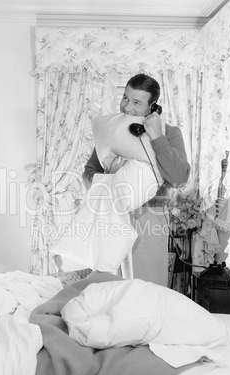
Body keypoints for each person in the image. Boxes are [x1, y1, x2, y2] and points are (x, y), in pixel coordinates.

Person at [82, 73, 190, 286]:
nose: (126, 107)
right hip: (110, 217)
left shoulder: (169, 133)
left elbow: (178, 179)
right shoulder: (112, 130)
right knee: (107, 288)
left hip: (149, 221)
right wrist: (110, 176)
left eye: (136, 102)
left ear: (152, 107)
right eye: (125, 98)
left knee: (144, 290)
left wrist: (156, 136)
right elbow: (88, 173)